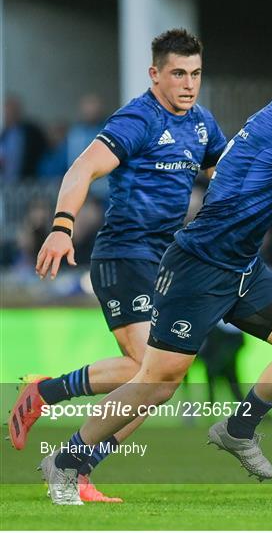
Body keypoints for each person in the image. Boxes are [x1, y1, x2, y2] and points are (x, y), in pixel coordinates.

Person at [40, 52, 272, 505]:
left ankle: (239, 428)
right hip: (198, 266)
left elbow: (239, 172)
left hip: (243, 267)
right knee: (156, 383)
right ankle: (65, 460)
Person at [8, 28, 226, 503]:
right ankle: (47, 399)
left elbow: (224, 171)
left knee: (158, 385)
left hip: (166, 261)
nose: (189, 84)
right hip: (124, 255)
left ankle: (76, 466)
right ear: (155, 74)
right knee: (147, 371)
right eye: (178, 74)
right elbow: (82, 167)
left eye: (196, 74)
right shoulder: (139, 119)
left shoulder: (203, 123)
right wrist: (63, 225)